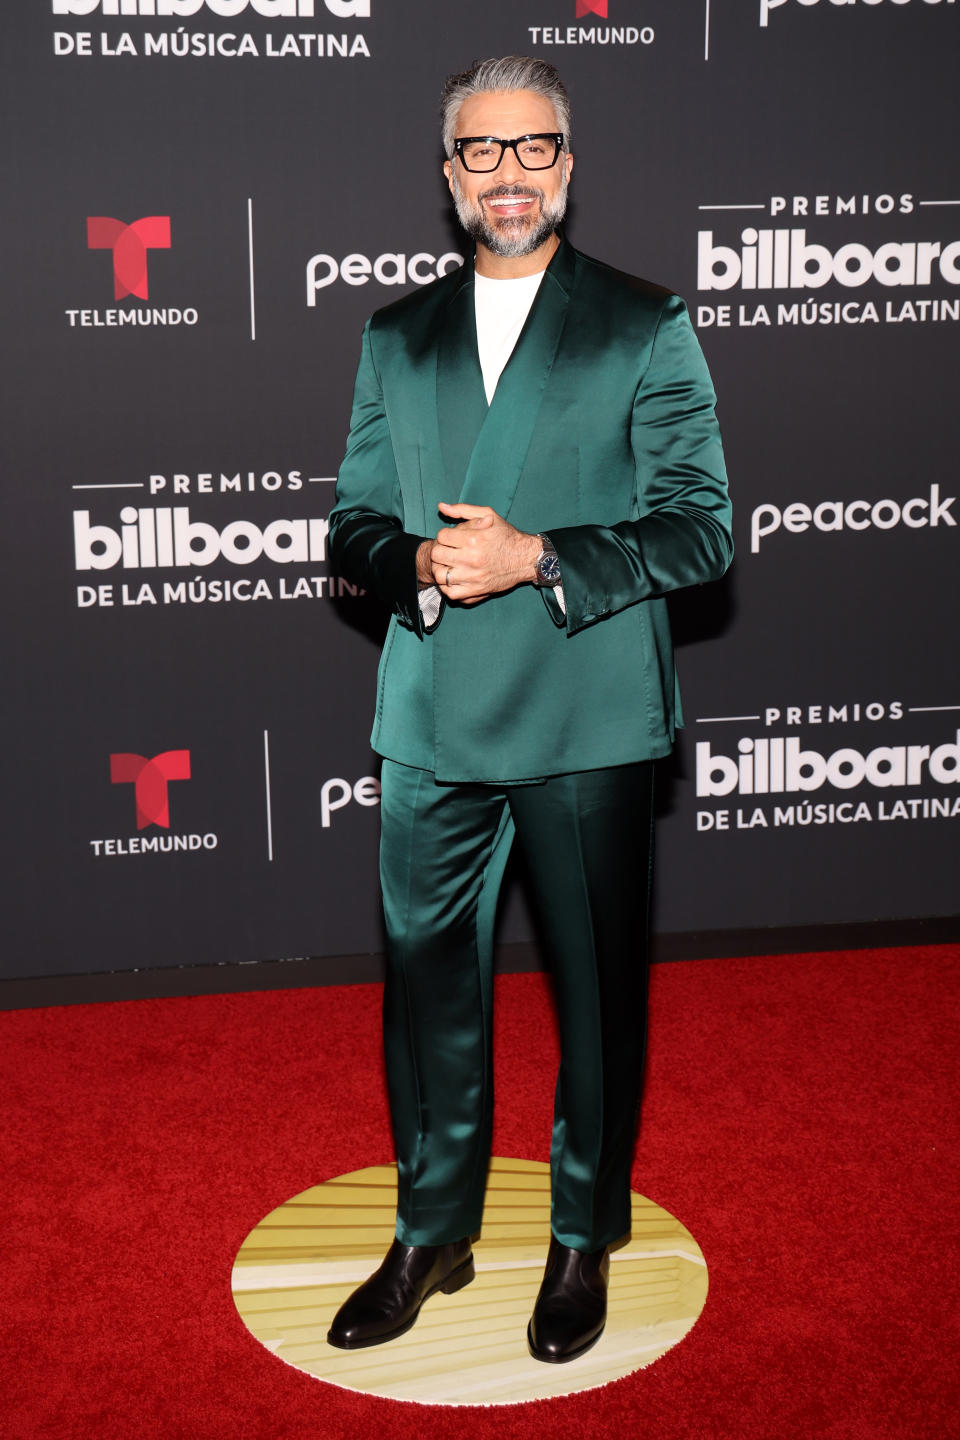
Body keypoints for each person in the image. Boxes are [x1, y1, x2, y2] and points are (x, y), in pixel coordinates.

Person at [326, 55, 732, 1364]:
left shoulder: (641, 322)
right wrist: (416, 566)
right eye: (482, 153)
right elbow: (356, 518)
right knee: (426, 989)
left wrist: (539, 556)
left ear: (570, 161)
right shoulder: (397, 334)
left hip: (583, 717)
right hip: (432, 711)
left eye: (535, 148)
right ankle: (433, 1228)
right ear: (450, 180)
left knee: (597, 999)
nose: (510, 173)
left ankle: (579, 1238)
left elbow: (700, 531)